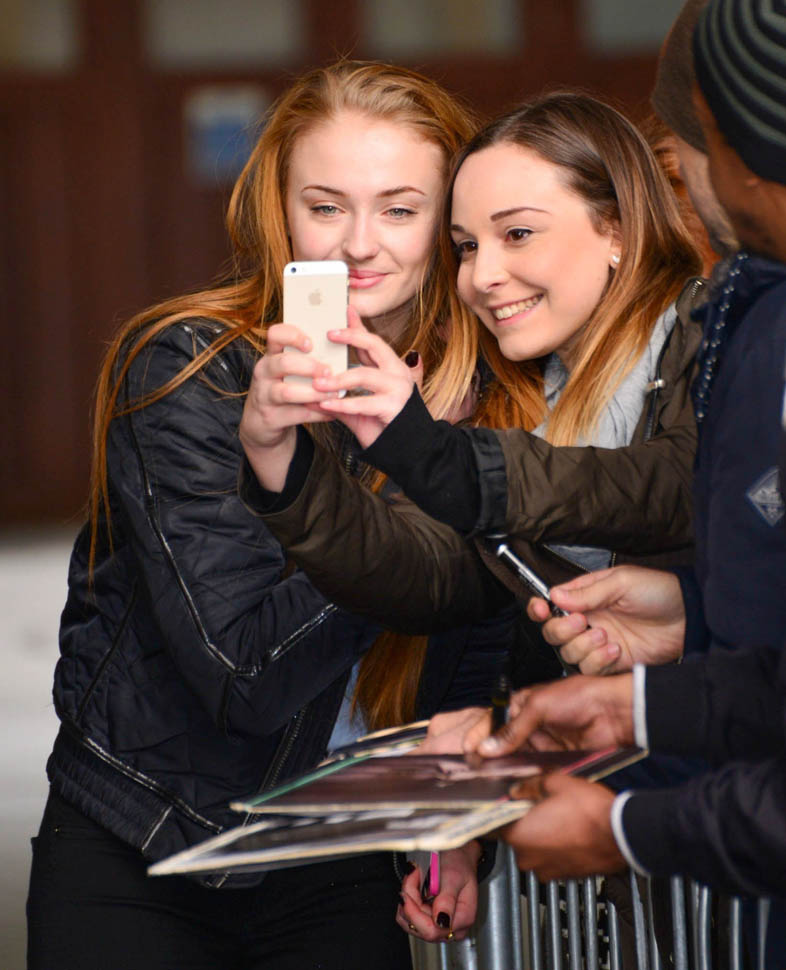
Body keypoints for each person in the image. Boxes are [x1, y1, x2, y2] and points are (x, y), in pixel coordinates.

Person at [25, 60, 513, 969]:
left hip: (339, 851)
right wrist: (409, 475)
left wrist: (455, 825)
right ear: (278, 212)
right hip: (145, 842)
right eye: (326, 206)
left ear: (447, 224)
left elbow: (474, 638)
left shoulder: (482, 392)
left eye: (400, 210)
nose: (359, 245)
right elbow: (242, 675)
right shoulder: (187, 369)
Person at [463, 0, 786, 909]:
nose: (678, 169)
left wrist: (628, 831)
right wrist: (640, 691)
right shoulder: (755, 310)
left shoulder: (733, 325)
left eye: (684, 143)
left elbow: (654, 486)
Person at [239, 91, 703, 661]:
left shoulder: (713, 332)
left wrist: (431, 452)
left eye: (518, 234)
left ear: (617, 231)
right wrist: (280, 459)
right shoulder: (530, 387)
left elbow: (676, 484)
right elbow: (428, 581)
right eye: (466, 246)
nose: (481, 276)